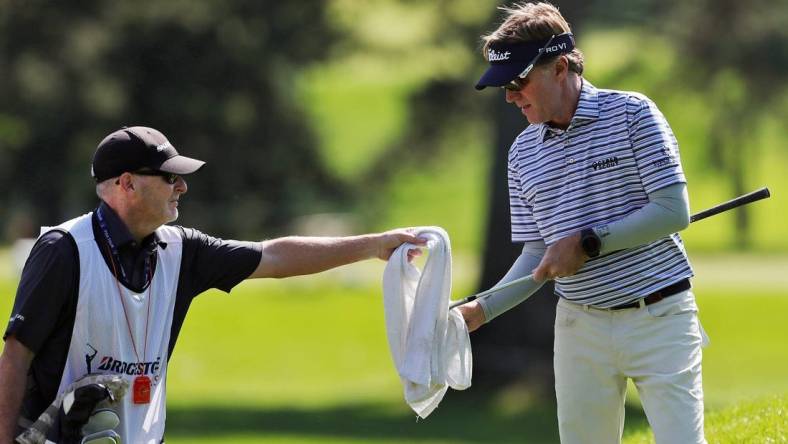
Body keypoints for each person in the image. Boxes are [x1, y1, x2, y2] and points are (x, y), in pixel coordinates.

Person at [0, 126, 425, 443]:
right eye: (168, 177)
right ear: (126, 183)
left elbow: (274, 256)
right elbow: (15, 358)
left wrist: (374, 245)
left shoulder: (182, 249)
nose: (181, 186)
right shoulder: (63, 249)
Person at [459, 3, 707, 443]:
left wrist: (589, 242)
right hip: (578, 326)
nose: (511, 96)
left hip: (659, 315)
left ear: (559, 67)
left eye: (519, 81)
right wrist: (484, 308)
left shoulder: (633, 114)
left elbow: (673, 210)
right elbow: (538, 254)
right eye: (504, 86)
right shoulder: (521, 154)